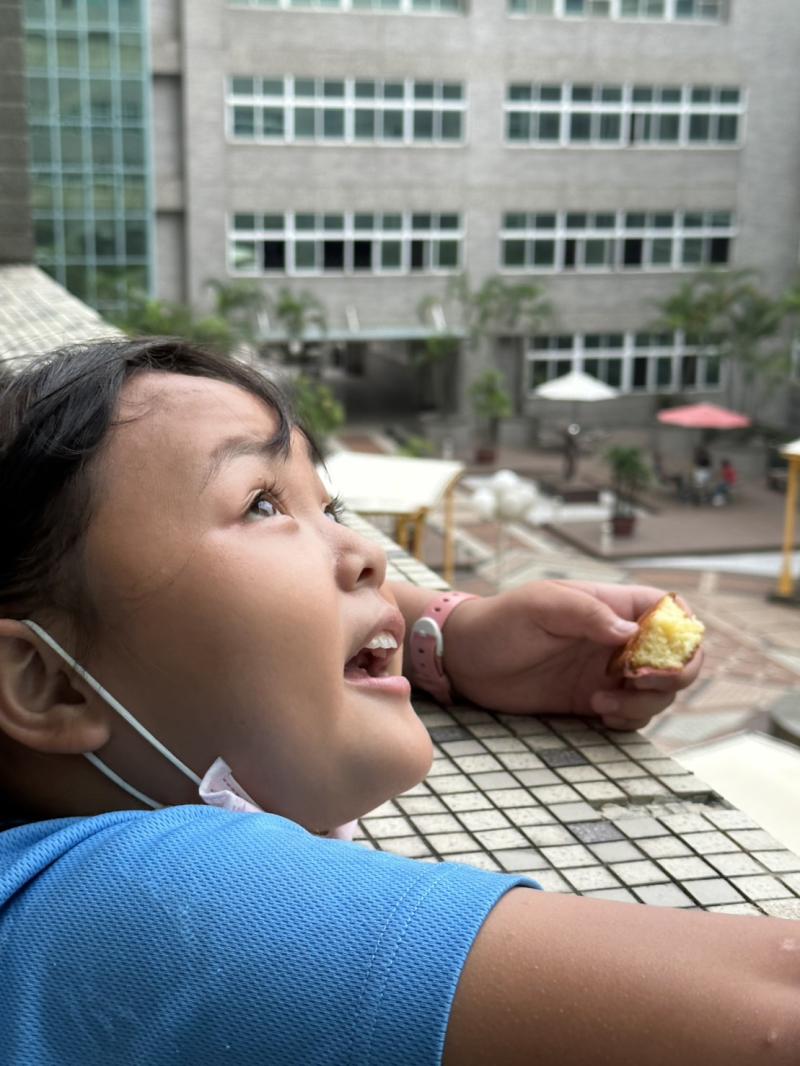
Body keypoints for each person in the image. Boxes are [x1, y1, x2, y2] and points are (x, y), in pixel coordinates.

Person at [0, 338, 797, 1066]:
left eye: (330, 507)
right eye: (261, 504)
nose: (369, 553)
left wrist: (451, 634)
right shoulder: (152, 903)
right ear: (48, 682)